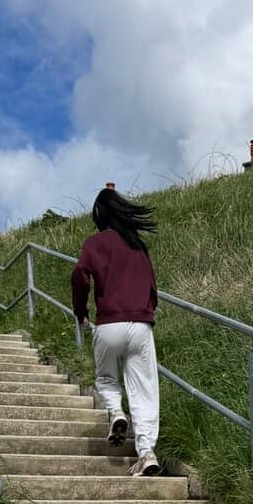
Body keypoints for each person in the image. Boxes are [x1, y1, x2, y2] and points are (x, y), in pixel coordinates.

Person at [71, 189, 162, 476]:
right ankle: (146, 453)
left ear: (98, 216)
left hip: (108, 324)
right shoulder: (138, 245)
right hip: (141, 325)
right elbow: (151, 285)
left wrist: (81, 311)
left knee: (107, 378)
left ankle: (116, 412)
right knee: (145, 391)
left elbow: (79, 276)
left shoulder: (94, 243)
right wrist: (148, 310)